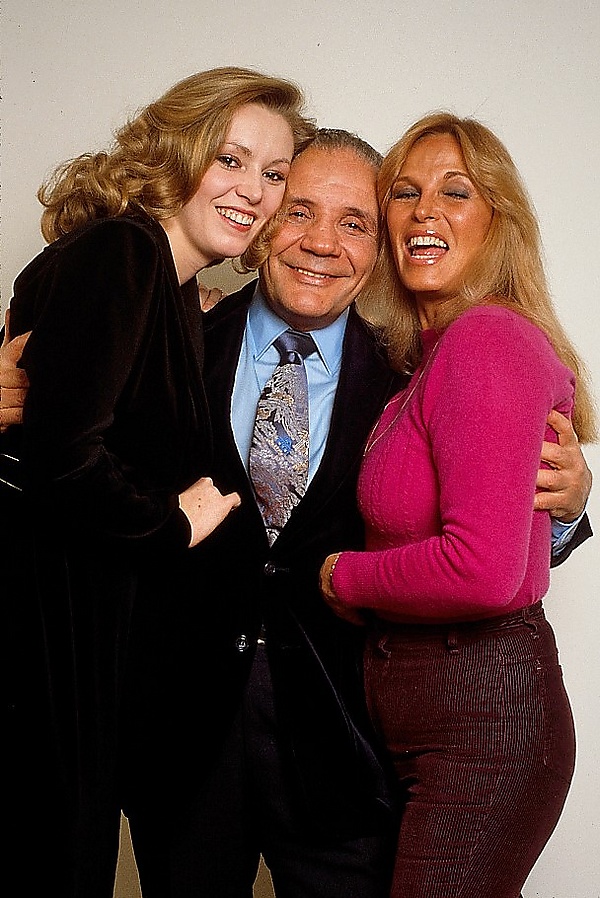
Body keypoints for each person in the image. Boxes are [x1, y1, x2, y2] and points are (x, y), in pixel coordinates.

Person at [1, 128, 591, 898]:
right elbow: (67, 473)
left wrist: (567, 508)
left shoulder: (415, 373)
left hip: (342, 747)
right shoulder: (163, 345)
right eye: (299, 212)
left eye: (354, 223)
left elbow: (478, 539)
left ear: (379, 249)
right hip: (181, 743)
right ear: (259, 224)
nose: (321, 243)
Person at [2, 66, 314, 898]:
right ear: (178, 152)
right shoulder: (125, 251)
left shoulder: (170, 288)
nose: (254, 190)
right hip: (51, 642)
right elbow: (62, 459)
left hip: (91, 649)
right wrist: (173, 522)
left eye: (274, 173)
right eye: (230, 159)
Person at [319, 113, 597, 898]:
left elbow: (484, 570)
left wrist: (343, 577)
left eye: (455, 192)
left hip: (479, 718)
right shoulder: (419, 358)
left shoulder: (487, 341)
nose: (424, 212)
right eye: (404, 193)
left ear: (498, 219)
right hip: (412, 712)